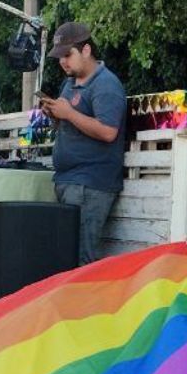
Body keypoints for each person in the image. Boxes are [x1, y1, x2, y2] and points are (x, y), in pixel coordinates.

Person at [41, 21, 127, 265]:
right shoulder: (69, 84)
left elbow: (109, 132)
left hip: (90, 184)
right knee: (63, 257)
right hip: (68, 180)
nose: (63, 62)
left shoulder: (106, 84)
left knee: (79, 259)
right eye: (59, 57)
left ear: (86, 50)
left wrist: (69, 113)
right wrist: (55, 115)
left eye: (68, 55)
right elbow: (70, 124)